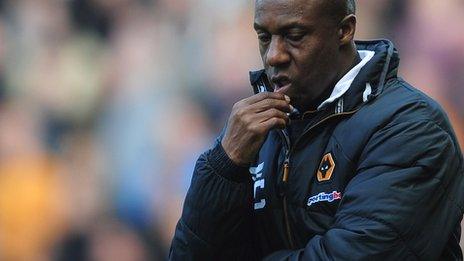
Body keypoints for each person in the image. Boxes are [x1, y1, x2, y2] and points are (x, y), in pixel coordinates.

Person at [169, 0, 464, 260]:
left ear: (344, 30)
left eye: (294, 36)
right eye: (263, 36)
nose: (273, 55)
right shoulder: (251, 129)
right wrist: (223, 167)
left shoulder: (411, 127)